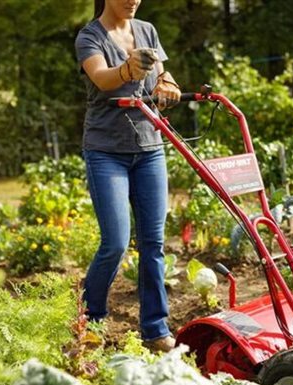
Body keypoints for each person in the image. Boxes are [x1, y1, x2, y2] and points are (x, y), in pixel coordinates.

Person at [75, 0, 181, 352]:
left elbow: (163, 73)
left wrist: (167, 84)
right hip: (106, 151)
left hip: (150, 147)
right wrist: (127, 70)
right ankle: (91, 320)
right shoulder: (89, 36)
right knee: (116, 243)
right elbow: (103, 78)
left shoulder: (147, 30)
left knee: (153, 244)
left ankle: (155, 327)